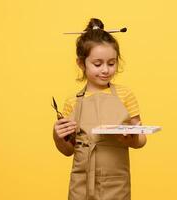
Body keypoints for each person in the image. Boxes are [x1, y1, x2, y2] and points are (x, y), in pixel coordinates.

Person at [53, 18, 147, 200]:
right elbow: (68, 150)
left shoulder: (124, 95)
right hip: (82, 182)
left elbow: (141, 139)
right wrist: (57, 136)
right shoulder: (72, 101)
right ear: (81, 64)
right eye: (98, 64)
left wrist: (131, 139)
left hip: (116, 183)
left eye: (111, 63)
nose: (105, 70)